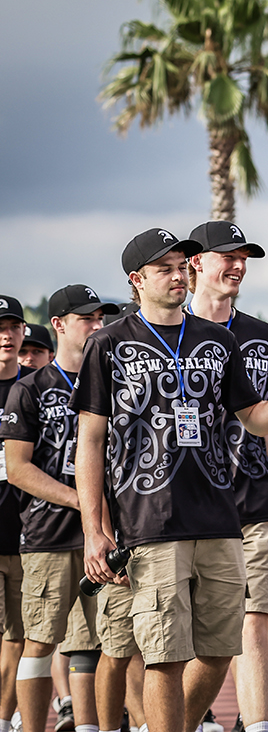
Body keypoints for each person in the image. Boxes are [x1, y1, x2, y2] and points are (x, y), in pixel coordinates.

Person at [73, 228, 268, 732]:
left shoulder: (218, 340)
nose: (178, 276)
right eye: (164, 269)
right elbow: (89, 441)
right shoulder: (108, 344)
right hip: (150, 522)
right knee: (165, 658)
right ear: (137, 280)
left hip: (221, 519)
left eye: (182, 266)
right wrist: (94, 529)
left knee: (220, 651)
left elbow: (253, 419)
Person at [185, 221, 268, 732]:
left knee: (253, 621)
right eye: (226, 255)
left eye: (243, 256)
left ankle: (255, 727)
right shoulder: (163, 330)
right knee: (187, 638)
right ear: (196, 265)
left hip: (252, 505)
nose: (237, 265)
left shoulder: (259, 335)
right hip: (182, 506)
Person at [2, 286, 119, 732]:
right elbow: (17, 469)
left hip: (109, 535)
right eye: (86, 318)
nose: (95, 326)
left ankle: (88, 727)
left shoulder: (114, 383)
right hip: (50, 536)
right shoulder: (30, 389)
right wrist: (81, 501)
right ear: (58, 324)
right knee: (41, 641)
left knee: (99, 642)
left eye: (100, 318)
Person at [0, 295, 30, 732]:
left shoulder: (36, 387)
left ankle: (3, 720)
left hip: (27, 533)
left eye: (12, 327)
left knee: (19, 636)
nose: (6, 335)